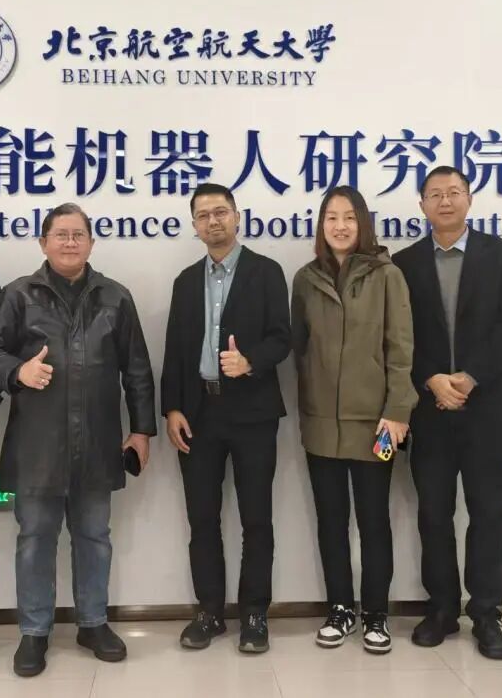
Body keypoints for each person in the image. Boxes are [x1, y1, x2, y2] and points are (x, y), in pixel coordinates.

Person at [0, 203, 156, 677]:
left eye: (79, 234)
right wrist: (17, 371)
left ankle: (92, 623)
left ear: (91, 243)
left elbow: (137, 369)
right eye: (61, 234)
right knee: (35, 538)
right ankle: (34, 631)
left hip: (98, 439)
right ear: (43, 242)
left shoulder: (115, 298)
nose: (70, 242)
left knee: (94, 536)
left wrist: (141, 430)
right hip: (37, 443)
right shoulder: (19, 295)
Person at [393, 165, 502, 660]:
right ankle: (442, 609)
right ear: (422, 205)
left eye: (454, 192)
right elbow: (398, 336)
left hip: (488, 408)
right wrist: (431, 378)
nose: (445, 201)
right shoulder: (403, 264)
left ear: (469, 199)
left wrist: (470, 377)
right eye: (435, 194)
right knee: (433, 514)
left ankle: (487, 613)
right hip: (430, 411)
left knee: (488, 514)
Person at [161, 183, 291, 654]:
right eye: (203, 215)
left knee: (257, 518)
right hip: (198, 413)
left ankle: (254, 613)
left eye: (220, 212)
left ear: (237, 217)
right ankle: (209, 612)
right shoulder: (184, 281)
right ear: (195, 226)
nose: (213, 221)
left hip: (253, 412)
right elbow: (175, 350)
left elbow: (283, 338)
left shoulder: (267, 272)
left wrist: (250, 360)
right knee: (202, 519)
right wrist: (172, 408)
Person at [291, 186, 417, 654]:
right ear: (321, 225)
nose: (340, 226)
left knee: (373, 521)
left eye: (348, 217)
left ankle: (376, 614)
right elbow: (300, 349)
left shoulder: (387, 275)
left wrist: (398, 411)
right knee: (331, 522)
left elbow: (400, 349)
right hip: (321, 424)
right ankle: (340, 609)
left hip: (375, 426)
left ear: (362, 222)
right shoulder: (305, 279)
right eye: (331, 217)